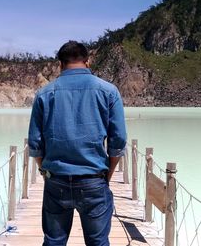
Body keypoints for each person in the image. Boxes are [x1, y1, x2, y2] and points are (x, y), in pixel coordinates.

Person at [28, 40, 127, 246]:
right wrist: (107, 174)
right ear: (88, 62)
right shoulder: (108, 91)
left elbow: (35, 144)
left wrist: (44, 172)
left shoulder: (44, 94)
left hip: (56, 181)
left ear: (60, 65)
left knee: (54, 241)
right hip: (94, 180)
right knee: (98, 242)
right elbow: (118, 141)